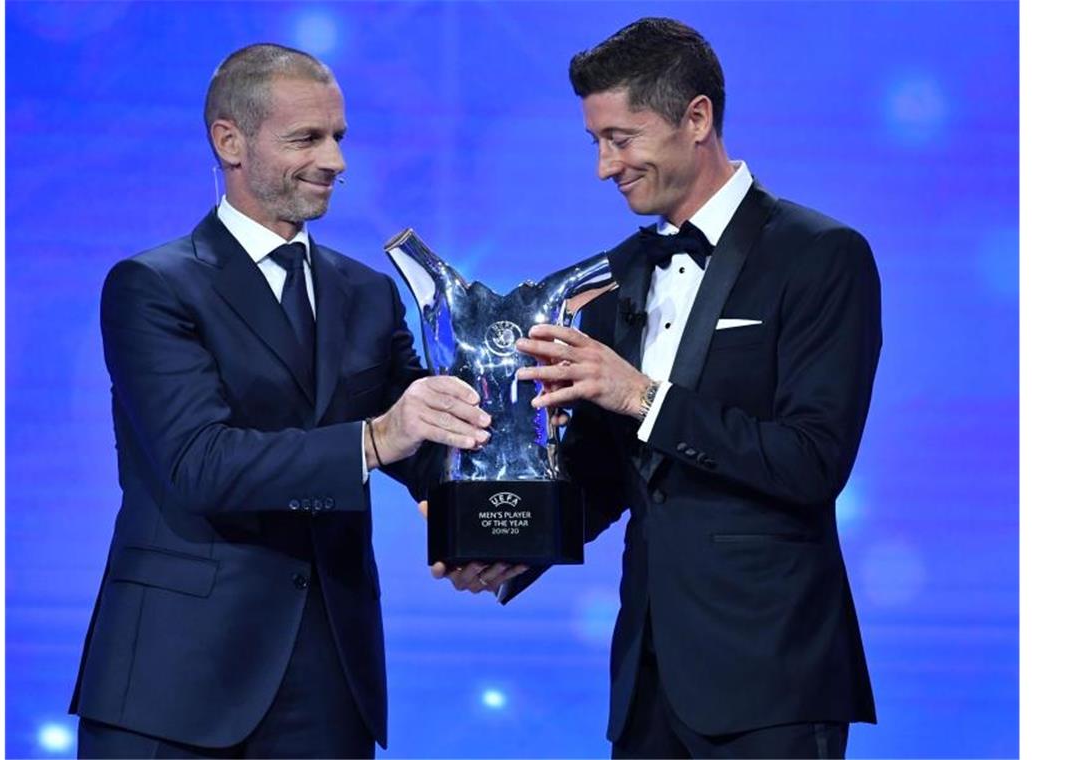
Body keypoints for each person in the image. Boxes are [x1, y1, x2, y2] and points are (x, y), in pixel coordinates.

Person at [68, 43, 501, 758]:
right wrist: (372, 439)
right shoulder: (153, 286)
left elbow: (422, 446)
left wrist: (485, 531)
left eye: (339, 137)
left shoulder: (366, 292)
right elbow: (199, 463)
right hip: (174, 686)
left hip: (329, 683)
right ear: (229, 141)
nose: (336, 160)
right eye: (307, 138)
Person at [501, 17, 880, 759]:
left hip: (771, 679)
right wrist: (512, 541)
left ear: (697, 118)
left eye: (622, 138)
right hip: (647, 681)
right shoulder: (618, 274)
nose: (605, 167)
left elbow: (811, 461)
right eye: (596, 142)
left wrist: (643, 397)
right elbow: (617, 474)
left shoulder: (822, 257)